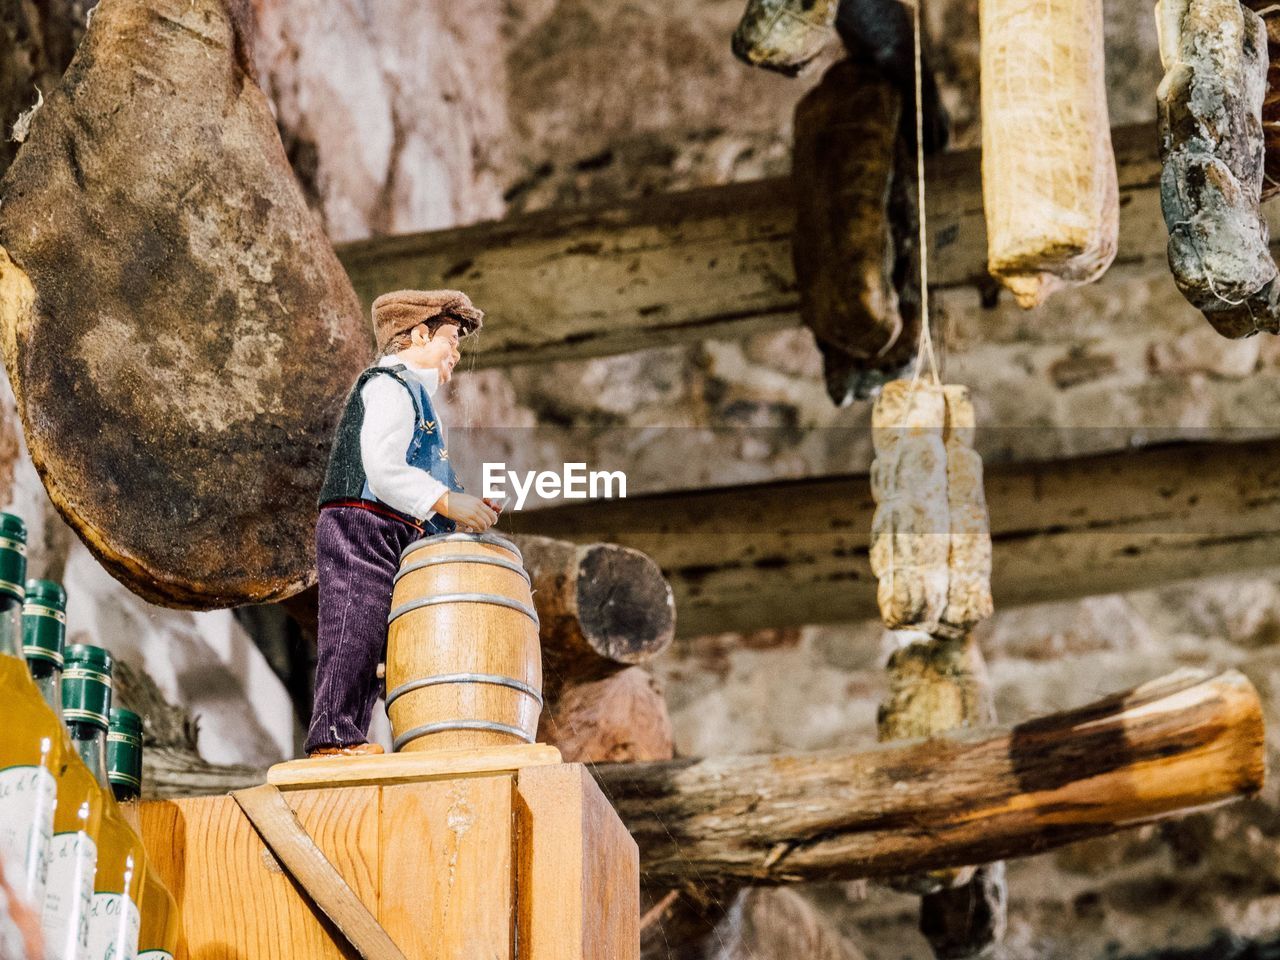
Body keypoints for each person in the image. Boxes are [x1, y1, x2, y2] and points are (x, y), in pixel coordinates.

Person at [305, 289, 502, 758]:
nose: (456, 352)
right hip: (363, 520)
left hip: (391, 526)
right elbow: (383, 467)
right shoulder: (389, 384)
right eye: (449, 339)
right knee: (355, 619)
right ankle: (333, 736)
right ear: (416, 334)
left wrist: (454, 515)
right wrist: (447, 502)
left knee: (377, 636)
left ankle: (350, 731)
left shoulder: (417, 399)